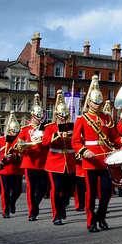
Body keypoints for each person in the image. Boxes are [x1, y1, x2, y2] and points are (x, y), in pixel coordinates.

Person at [72, 75, 122, 232]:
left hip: (105, 159)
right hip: (90, 160)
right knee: (91, 193)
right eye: (95, 102)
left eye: (100, 102)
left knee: (107, 190)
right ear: (89, 102)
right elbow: (75, 142)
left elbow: (114, 138)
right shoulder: (82, 119)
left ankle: (101, 216)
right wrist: (84, 151)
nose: (98, 105)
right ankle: (91, 221)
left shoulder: (107, 117)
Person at [42, 91, 76, 225]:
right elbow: (45, 142)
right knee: (56, 188)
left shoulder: (71, 126)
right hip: (55, 161)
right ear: (56, 116)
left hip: (70, 161)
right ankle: (57, 215)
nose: (63, 117)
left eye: (65, 115)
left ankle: (62, 206)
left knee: (70, 189)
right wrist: (58, 134)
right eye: (61, 115)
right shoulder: (50, 127)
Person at [17, 94, 49, 221]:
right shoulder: (25, 130)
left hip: (43, 161)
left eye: (41, 116)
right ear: (32, 117)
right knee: (31, 187)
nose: (39, 119)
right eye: (37, 116)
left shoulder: (45, 128)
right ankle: (32, 211)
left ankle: (35, 205)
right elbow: (17, 145)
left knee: (43, 188)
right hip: (30, 161)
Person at [0, 112, 23, 218]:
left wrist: (14, 157)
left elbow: (24, 155)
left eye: (17, 131)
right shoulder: (1, 140)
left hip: (17, 169)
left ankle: (12, 203)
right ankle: (5, 211)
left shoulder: (21, 141)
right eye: (14, 131)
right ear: (9, 131)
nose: (16, 134)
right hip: (4, 170)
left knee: (18, 190)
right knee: (5, 190)